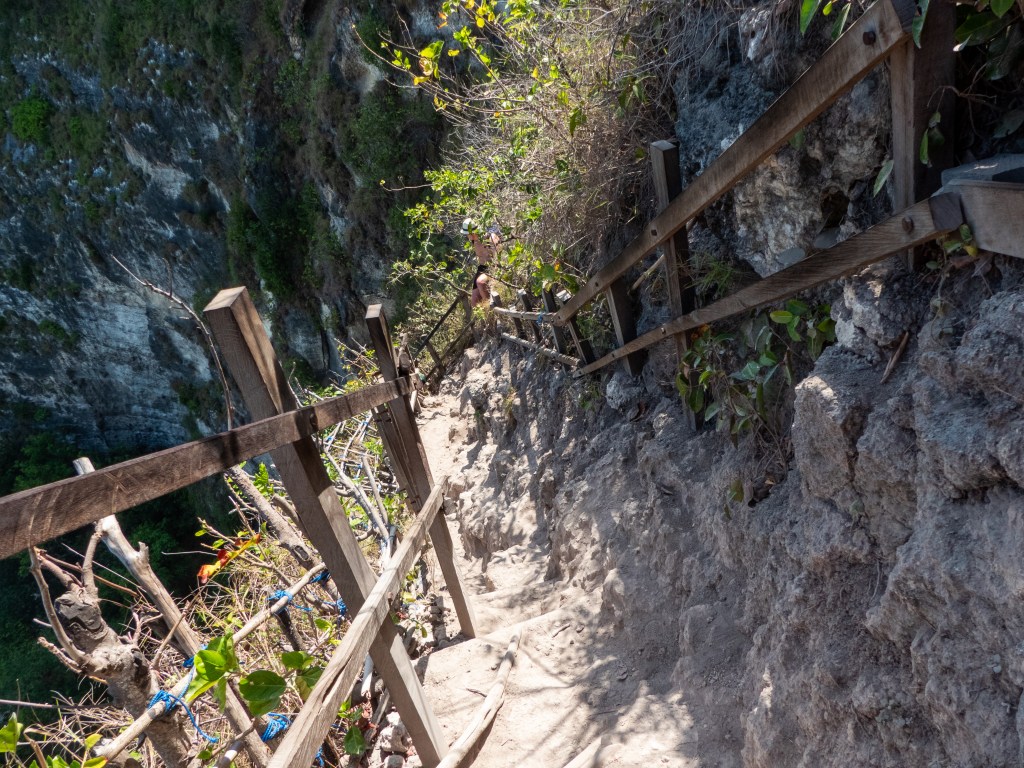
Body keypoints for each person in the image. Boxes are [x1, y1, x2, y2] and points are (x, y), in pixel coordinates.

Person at [462, 218, 500, 307]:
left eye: (467, 234)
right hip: (482, 268)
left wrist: (495, 273)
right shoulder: (473, 241)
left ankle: (491, 309)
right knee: (474, 302)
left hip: (492, 266)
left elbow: (499, 255)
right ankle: (485, 318)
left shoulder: (490, 237)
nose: (467, 236)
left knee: (480, 282)